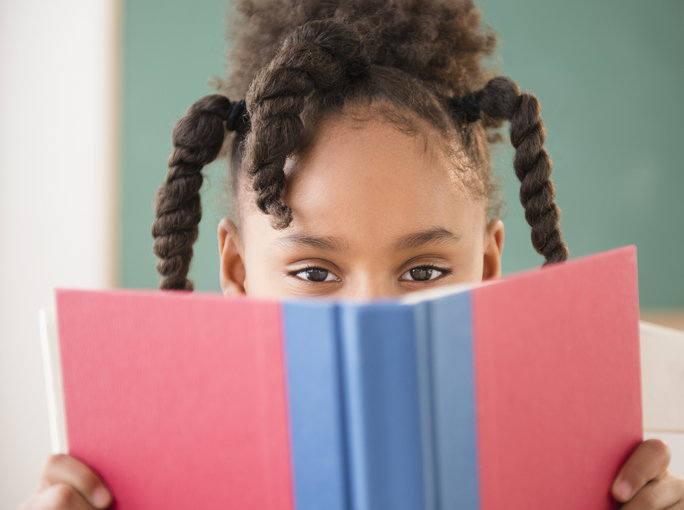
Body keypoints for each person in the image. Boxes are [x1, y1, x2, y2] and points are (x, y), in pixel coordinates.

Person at [20, 0, 684, 508]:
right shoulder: (159, 480)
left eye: (423, 271)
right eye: (313, 271)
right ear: (237, 272)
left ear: (487, 267)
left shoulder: (564, 470)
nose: (372, 320)